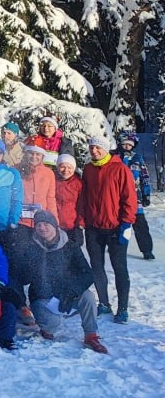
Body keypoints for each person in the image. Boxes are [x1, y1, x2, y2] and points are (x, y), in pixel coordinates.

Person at [13, 210, 108, 353]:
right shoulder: (31, 246)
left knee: (88, 296)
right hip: (43, 298)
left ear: (55, 226)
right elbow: (21, 277)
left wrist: (71, 291)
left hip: (66, 295)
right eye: (38, 225)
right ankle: (46, 328)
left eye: (46, 224)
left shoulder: (70, 246)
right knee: (53, 324)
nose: (42, 228)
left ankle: (91, 335)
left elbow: (87, 274)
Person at [80, 136, 137, 323]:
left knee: (119, 267)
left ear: (105, 149)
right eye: (92, 148)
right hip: (93, 228)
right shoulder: (88, 169)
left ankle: (122, 308)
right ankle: (104, 302)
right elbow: (84, 195)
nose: (94, 151)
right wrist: (83, 217)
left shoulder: (120, 169)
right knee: (96, 267)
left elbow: (130, 199)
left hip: (115, 227)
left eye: (98, 148)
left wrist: (126, 224)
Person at [118, 132, 154, 260]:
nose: (127, 146)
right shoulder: (115, 157)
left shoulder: (137, 158)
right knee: (117, 223)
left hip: (135, 196)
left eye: (129, 144)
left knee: (140, 224)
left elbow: (144, 177)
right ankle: (116, 246)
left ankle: (146, 250)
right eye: (125, 144)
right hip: (117, 196)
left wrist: (146, 194)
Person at [54, 154, 85, 247]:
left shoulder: (78, 183)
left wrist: (80, 223)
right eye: (62, 167)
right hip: (56, 225)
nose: (66, 170)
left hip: (73, 226)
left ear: (74, 168)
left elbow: (82, 205)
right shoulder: (53, 180)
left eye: (69, 167)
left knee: (73, 252)